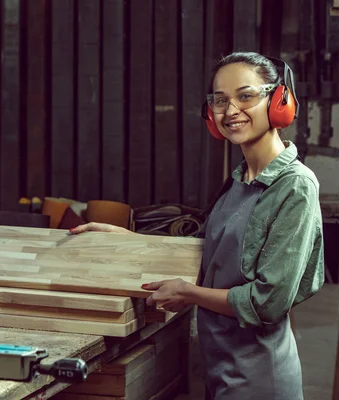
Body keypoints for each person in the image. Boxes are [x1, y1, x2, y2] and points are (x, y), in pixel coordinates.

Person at [70, 52, 325, 400]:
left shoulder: (295, 186)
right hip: (219, 369)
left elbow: (267, 303)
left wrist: (188, 294)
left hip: (260, 378)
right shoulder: (237, 183)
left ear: (279, 100)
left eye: (245, 95)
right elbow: (198, 254)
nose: (231, 110)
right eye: (220, 100)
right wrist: (127, 240)